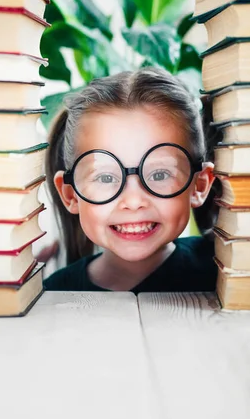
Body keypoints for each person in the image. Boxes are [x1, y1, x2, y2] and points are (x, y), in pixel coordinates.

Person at [43, 67, 218, 294]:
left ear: (199, 185)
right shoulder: (52, 294)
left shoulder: (229, 273)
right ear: (70, 194)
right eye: (106, 177)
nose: (134, 201)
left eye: (159, 175)